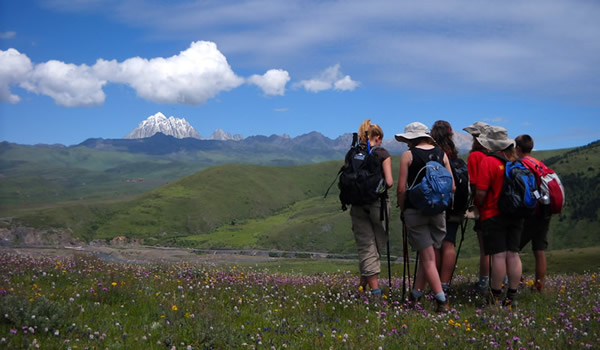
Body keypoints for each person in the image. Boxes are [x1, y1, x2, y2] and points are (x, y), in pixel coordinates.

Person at [396, 122, 455, 312]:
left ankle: (441, 300)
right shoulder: (441, 154)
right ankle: (415, 297)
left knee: (427, 257)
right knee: (428, 255)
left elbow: (401, 189)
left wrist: (403, 210)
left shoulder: (408, 155)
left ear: (411, 139)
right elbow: (452, 186)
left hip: (415, 211)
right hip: (438, 211)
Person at [475, 126, 523, 306]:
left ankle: (494, 296)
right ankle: (512, 296)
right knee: (513, 254)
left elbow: (481, 192)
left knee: (499, 256)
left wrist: (479, 206)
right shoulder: (516, 161)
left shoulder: (488, 162)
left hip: (493, 213)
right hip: (517, 213)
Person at [351, 120, 394, 296]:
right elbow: (389, 182)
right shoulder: (382, 154)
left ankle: (362, 286)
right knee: (375, 246)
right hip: (379, 205)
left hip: (357, 205)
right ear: (377, 137)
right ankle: (375, 291)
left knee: (366, 245)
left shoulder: (354, 153)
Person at [516, 134, 550, 292]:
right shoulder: (539, 163)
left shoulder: (521, 164)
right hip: (545, 208)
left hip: (531, 210)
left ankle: (519, 280)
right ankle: (539, 285)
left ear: (518, 148)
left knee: (513, 247)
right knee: (539, 248)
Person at [429, 120, 460, 298]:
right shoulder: (455, 155)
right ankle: (445, 285)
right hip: (455, 205)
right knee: (449, 243)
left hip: (438, 203)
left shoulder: (435, 155)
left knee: (436, 245)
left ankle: (436, 288)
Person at [463, 121, 491, 294]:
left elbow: (472, 183)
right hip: (499, 206)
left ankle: (484, 283)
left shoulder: (475, 156)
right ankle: (502, 280)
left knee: (485, 249)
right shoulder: (497, 155)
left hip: (483, 206)